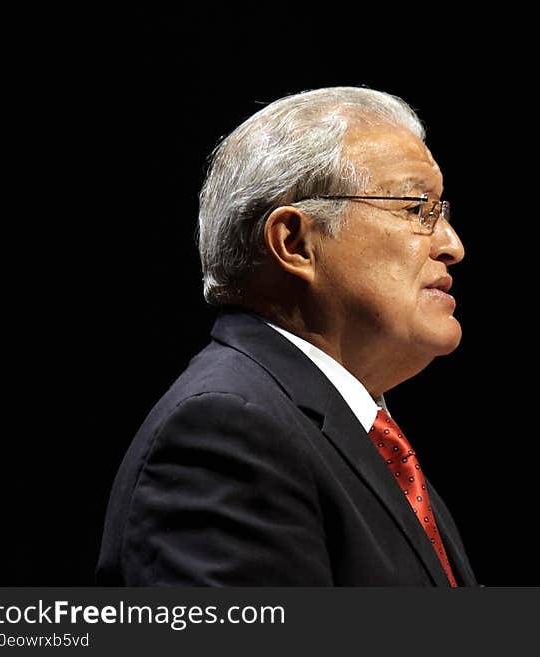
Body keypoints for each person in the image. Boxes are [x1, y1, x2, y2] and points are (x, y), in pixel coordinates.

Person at [97, 87, 477, 586]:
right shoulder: (227, 430)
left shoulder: (363, 437)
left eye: (442, 211)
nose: (453, 245)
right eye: (415, 209)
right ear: (295, 243)